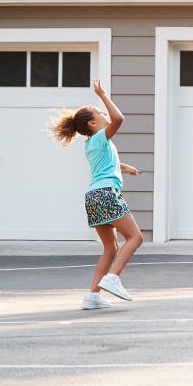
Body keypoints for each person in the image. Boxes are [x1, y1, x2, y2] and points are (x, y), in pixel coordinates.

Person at [50, 78, 142, 309]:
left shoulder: (92, 143)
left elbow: (106, 165)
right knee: (135, 237)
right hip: (106, 194)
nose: (104, 114)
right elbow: (120, 119)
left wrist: (124, 167)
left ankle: (93, 295)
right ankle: (112, 278)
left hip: (93, 197)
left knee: (111, 248)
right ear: (92, 122)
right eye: (100, 112)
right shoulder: (101, 137)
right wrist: (102, 95)